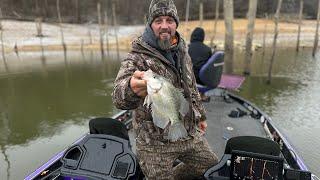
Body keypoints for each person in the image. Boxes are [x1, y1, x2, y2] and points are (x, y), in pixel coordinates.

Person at [112, 0, 218, 179]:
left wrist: (200, 116)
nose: (164, 26)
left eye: (169, 20)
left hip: (187, 133)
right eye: (158, 20)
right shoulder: (137, 56)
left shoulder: (183, 49)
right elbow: (118, 97)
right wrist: (130, 88)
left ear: (176, 23)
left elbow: (191, 88)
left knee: (211, 167)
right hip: (154, 143)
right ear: (150, 24)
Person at [188, 27, 213, 102]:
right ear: (203, 37)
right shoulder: (208, 49)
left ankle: (191, 95)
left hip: (190, 79)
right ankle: (202, 95)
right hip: (203, 80)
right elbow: (210, 67)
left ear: (192, 36)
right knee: (204, 71)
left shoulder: (187, 47)